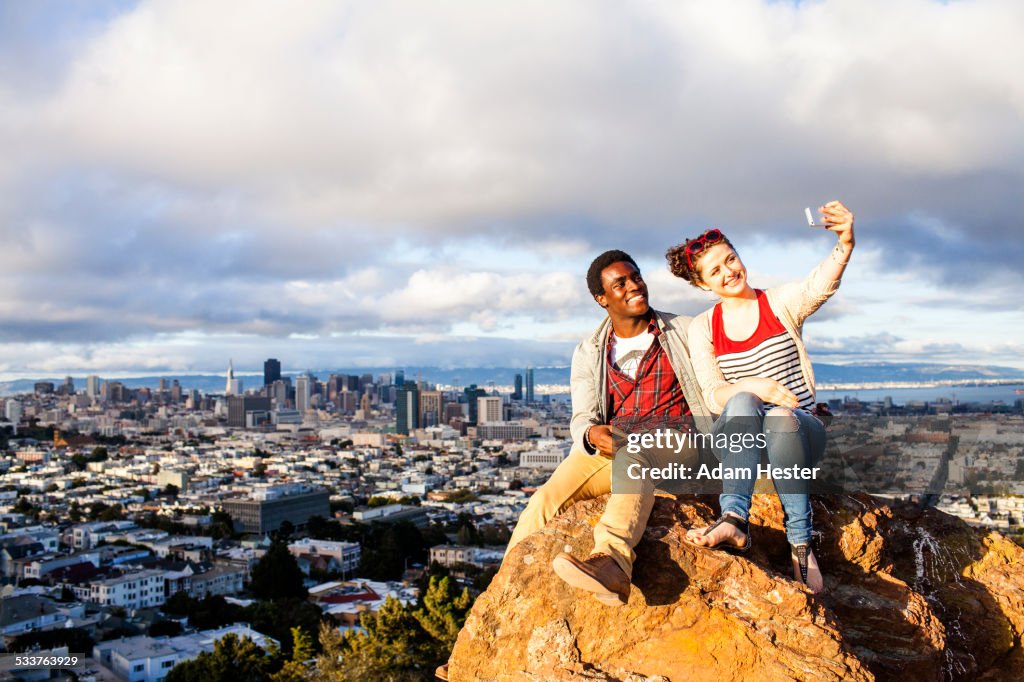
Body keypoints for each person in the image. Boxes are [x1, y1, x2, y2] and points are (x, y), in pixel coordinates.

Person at [664, 201, 855, 593]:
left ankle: (800, 544)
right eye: (715, 270)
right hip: (744, 441)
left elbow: (819, 286)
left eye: (730, 259)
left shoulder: (779, 302)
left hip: (798, 435)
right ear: (703, 284)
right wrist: (755, 386)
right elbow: (714, 393)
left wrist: (845, 243)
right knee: (741, 402)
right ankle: (733, 520)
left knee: (780, 418)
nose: (728, 271)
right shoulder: (705, 328)